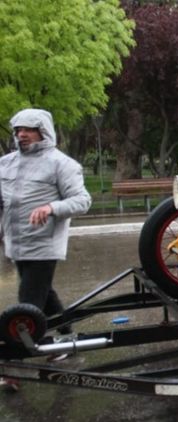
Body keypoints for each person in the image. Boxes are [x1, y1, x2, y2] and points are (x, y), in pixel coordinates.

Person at [0, 109, 92, 353]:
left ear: (43, 131)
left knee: (27, 304)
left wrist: (51, 207)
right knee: (46, 296)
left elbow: (82, 201)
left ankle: (15, 361)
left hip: (44, 245)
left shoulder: (62, 164)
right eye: (18, 130)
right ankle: (67, 341)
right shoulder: (6, 164)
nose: (22, 135)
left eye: (29, 129)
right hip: (16, 244)